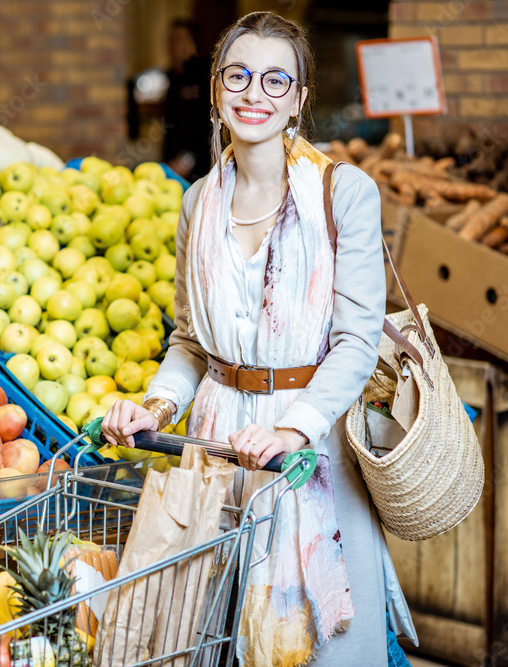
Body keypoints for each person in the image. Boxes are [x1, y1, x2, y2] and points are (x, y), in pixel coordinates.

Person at [102, 11, 416, 667]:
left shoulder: (343, 194)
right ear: (217, 89)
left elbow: (356, 341)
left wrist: (293, 429)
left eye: (277, 81)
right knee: (219, 630)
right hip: (218, 450)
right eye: (239, 76)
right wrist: (155, 407)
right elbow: (191, 342)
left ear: (299, 99)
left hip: (312, 444)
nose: (255, 94)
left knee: (319, 644)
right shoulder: (197, 202)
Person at [162, 18, 212, 182]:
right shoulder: (172, 79)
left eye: (180, 40)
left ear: (192, 44)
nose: (173, 46)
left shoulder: (205, 77)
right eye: (171, 40)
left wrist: (187, 160)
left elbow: (207, 126)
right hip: (173, 169)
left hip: (200, 168)